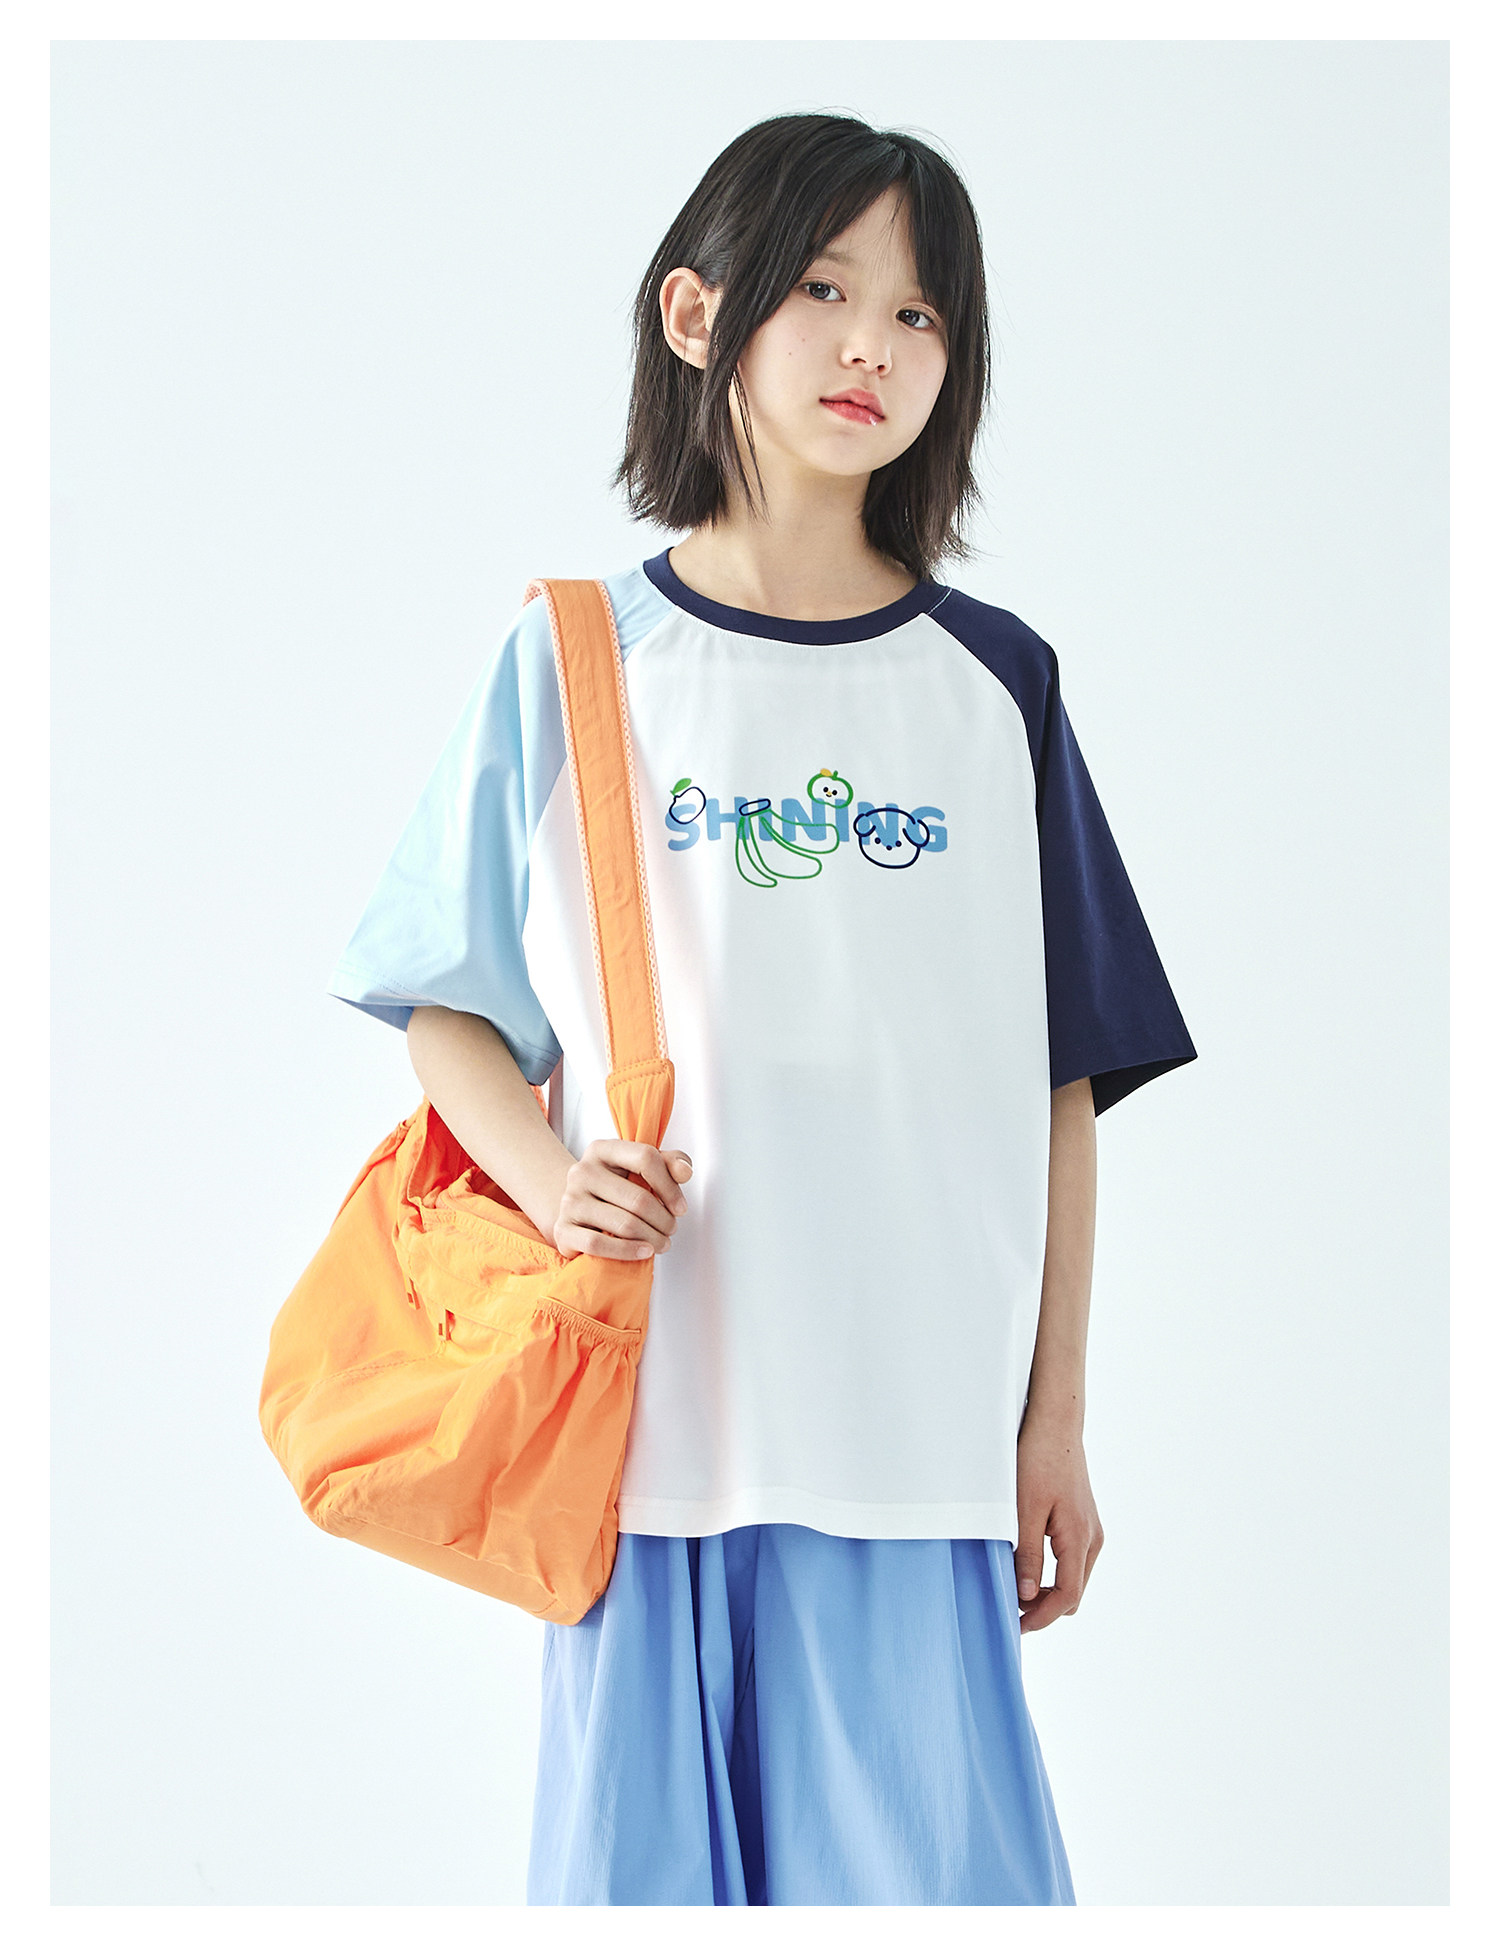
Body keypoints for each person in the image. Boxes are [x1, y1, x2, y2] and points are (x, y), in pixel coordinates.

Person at [326, 111, 1197, 1907]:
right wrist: (556, 1181)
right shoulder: (574, 659)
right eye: (822, 288)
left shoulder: (995, 688)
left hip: (913, 1444)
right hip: (652, 1443)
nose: (874, 342)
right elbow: (445, 1007)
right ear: (696, 314)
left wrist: (1053, 1420)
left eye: (922, 313)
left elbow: (1060, 1084)